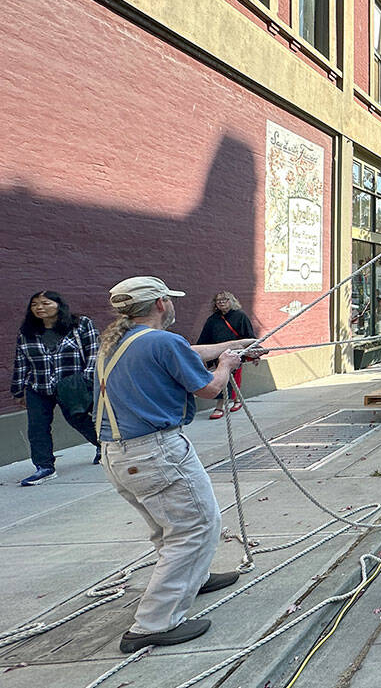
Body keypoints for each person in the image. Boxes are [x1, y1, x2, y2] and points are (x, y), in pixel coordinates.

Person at [96, 276, 258, 653]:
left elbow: (188, 352)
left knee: (167, 528)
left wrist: (234, 346)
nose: (172, 305)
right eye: (169, 300)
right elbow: (211, 389)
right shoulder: (161, 341)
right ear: (160, 304)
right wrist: (227, 364)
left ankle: (192, 578)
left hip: (119, 454)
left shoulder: (119, 340)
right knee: (196, 527)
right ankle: (154, 623)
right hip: (155, 452)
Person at [10, 291, 102, 485]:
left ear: (59, 305)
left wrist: (86, 379)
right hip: (38, 386)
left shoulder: (80, 324)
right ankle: (44, 467)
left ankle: (104, 446)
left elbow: (94, 352)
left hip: (70, 385)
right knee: (37, 427)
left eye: (45, 303)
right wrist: (18, 390)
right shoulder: (27, 332)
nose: (39, 307)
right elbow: (21, 362)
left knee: (78, 419)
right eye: (34, 304)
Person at [196, 292, 255, 419]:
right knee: (225, 378)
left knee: (228, 378)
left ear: (231, 300)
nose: (221, 302)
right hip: (217, 354)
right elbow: (204, 338)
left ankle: (220, 406)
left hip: (235, 353)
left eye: (225, 299)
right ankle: (236, 400)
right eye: (218, 301)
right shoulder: (212, 319)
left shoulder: (240, 316)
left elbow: (249, 335)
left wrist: (254, 354)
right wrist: (204, 357)